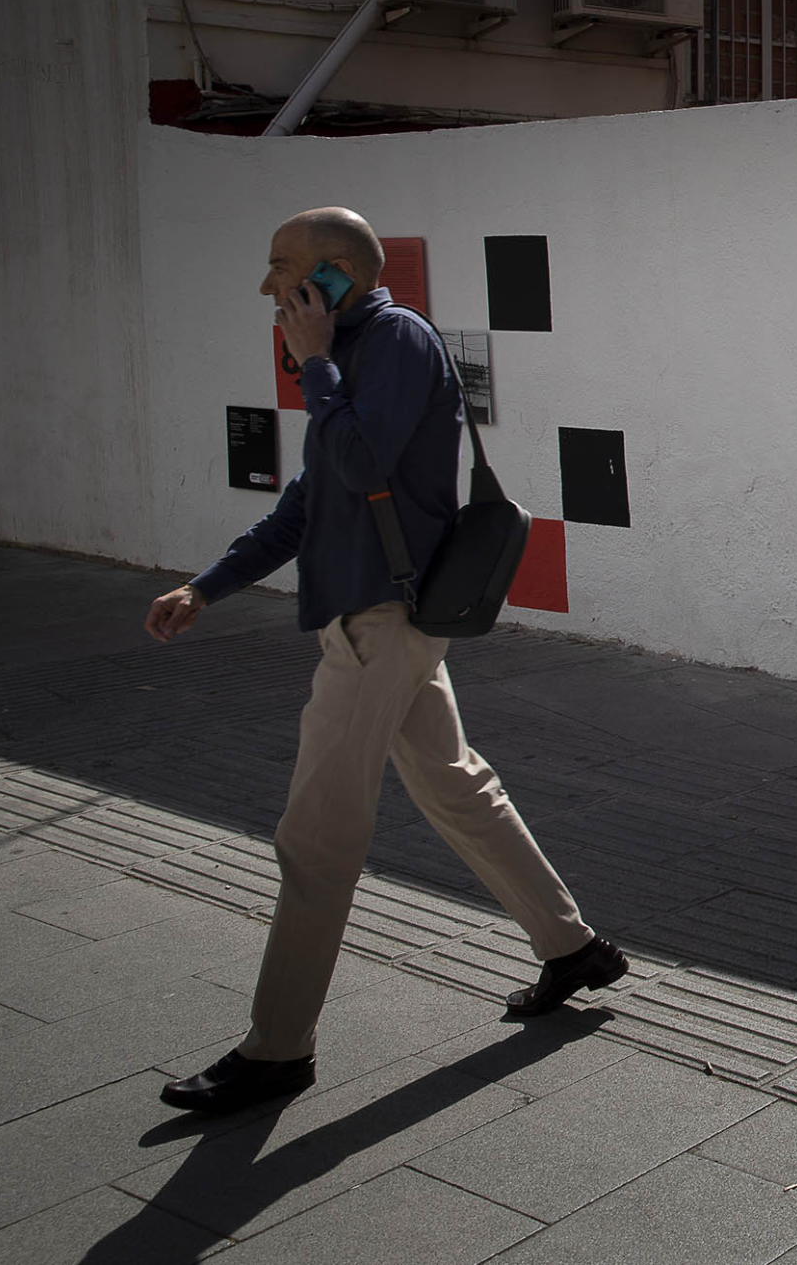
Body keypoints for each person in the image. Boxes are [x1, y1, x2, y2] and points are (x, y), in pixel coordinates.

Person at [145, 207, 623, 1112]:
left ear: (334, 276)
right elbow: (305, 505)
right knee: (453, 784)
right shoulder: (349, 353)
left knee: (315, 839)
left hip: (380, 627)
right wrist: (205, 587)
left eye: (283, 268)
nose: (268, 288)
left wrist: (318, 358)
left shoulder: (392, 340)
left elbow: (364, 456)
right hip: (369, 623)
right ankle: (572, 946)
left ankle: (278, 1050)